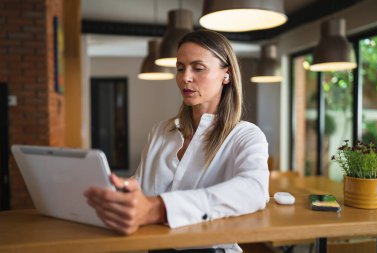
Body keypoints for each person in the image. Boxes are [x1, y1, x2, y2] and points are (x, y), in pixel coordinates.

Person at [85, 30, 269, 253]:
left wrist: (160, 209)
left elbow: (254, 191)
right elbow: (141, 188)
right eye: (180, 68)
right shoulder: (161, 131)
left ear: (226, 75)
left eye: (198, 68)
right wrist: (122, 192)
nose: (185, 77)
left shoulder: (245, 136)